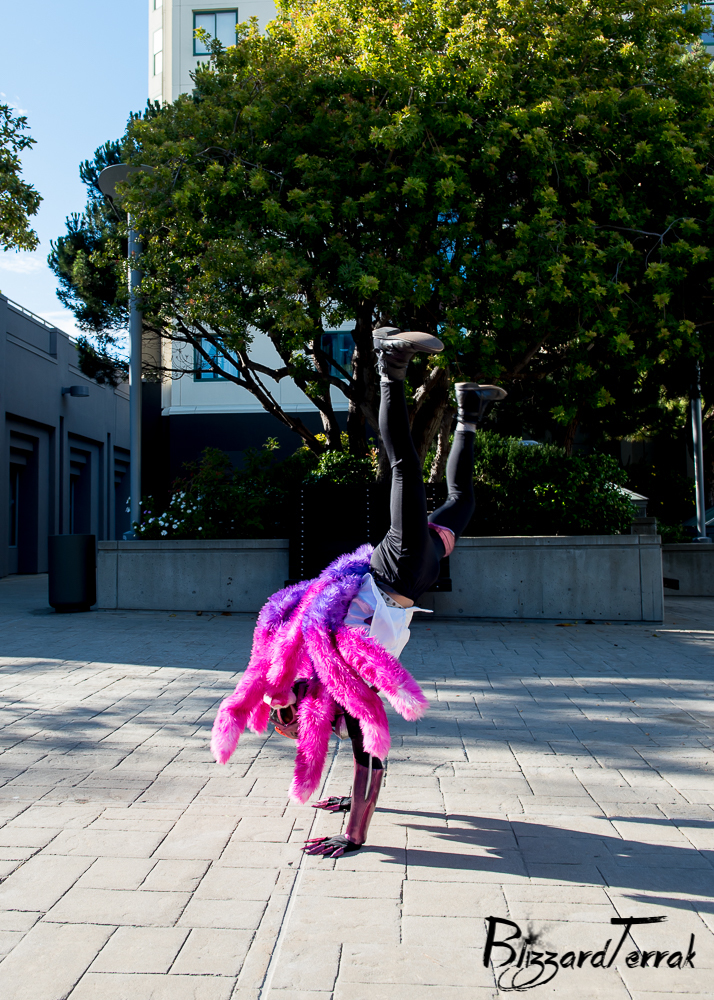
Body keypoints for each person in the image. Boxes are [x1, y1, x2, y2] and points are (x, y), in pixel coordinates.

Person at [211, 328, 506, 858]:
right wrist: (353, 808)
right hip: (417, 577)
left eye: (292, 717)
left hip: (393, 570)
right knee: (460, 501)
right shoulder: (326, 689)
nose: (304, 719)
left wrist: (355, 836)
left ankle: (388, 361)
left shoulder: (327, 679)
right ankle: (468, 409)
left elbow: (372, 752)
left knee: (405, 467)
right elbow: (370, 755)